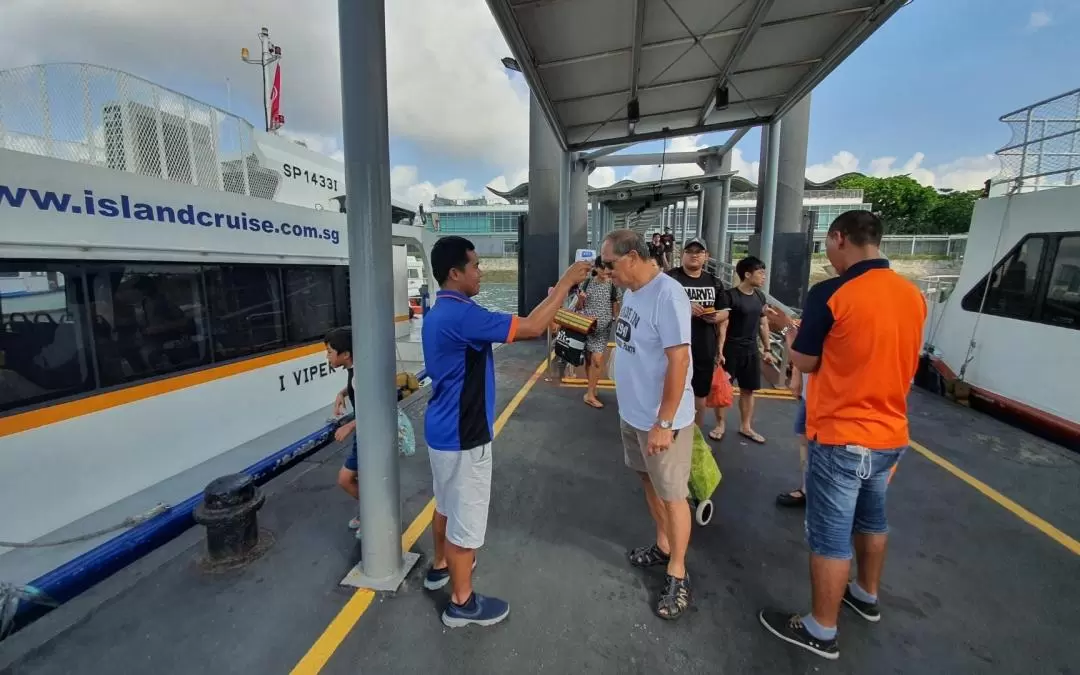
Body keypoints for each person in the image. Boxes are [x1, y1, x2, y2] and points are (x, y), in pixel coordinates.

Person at [757, 210, 927, 661]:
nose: (827, 255)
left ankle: (821, 628)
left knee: (829, 536)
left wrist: (785, 331)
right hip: (891, 432)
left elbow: (807, 361)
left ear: (839, 238)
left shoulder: (832, 292)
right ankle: (866, 595)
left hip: (841, 433)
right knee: (873, 520)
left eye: (828, 246)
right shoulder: (912, 295)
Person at [421, 235, 590, 629]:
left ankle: (440, 566)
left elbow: (527, 323)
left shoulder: (442, 310)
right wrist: (565, 284)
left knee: (445, 503)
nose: (481, 272)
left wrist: (559, 292)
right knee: (466, 521)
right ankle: (461, 604)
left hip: (442, 431)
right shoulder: (463, 316)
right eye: (476, 266)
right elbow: (531, 327)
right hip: (466, 436)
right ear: (455, 272)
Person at [602, 229, 696, 621]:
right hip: (633, 413)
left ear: (633, 258)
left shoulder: (668, 295)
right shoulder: (632, 292)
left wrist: (664, 421)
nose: (606, 272)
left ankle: (678, 572)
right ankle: (662, 545)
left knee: (673, 495)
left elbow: (679, 360)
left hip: (659, 420)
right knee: (648, 481)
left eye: (610, 264)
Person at [666, 237, 728, 439]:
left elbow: (726, 312)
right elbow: (657, 305)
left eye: (699, 252)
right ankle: (667, 430)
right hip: (673, 344)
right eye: (689, 251)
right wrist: (685, 306)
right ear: (682, 254)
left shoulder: (714, 282)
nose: (694, 255)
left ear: (706, 256)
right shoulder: (670, 279)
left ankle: (694, 438)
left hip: (704, 345)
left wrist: (715, 316)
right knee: (669, 386)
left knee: (700, 393)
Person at [715, 256, 774, 444]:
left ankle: (746, 426)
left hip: (751, 350)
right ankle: (720, 424)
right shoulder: (729, 296)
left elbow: (763, 323)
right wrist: (720, 351)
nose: (764, 276)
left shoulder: (759, 296)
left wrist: (767, 348)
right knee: (724, 389)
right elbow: (722, 326)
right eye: (760, 273)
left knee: (749, 390)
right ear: (747, 275)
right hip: (731, 349)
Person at [325, 327, 361, 531]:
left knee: (345, 479)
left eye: (330, 351)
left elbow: (374, 408)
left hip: (365, 435)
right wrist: (342, 393)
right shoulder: (355, 371)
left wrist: (349, 426)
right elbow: (356, 387)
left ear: (345, 354)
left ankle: (372, 513)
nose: (327, 356)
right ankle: (370, 512)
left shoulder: (357, 374)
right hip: (364, 434)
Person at [574, 259, 622, 409]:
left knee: (597, 359)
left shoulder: (613, 284)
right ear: (596, 268)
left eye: (608, 268)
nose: (605, 271)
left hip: (603, 328)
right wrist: (580, 299)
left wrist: (617, 319)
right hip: (587, 326)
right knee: (589, 358)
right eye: (603, 268)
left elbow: (615, 304)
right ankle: (592, 388)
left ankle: (589, 394)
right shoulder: (587, 283)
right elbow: (578, 307)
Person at [776, 361, 808, 507]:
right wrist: (796, 372)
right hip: (811, 390)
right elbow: (802, 343)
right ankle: (807, 488)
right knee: (804, 437)